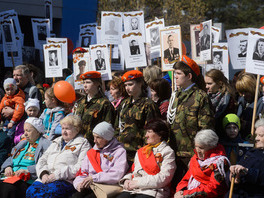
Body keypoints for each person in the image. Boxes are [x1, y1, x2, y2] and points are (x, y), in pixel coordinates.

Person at [167, 55, 214, 186]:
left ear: (189, 76)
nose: (175, 76)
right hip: (175, 152)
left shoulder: (200, 97)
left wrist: (200, 153)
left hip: (191, 154)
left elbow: (206, 129)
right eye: (174, 73)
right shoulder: (176, 95)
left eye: (178, 73)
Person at [26, 115, 91, 198]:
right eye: (63, 128)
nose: (64, 132)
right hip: (46, 178)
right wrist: (43, 173)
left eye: (67, 129)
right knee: (30, 191)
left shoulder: (83, 143)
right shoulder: (56, 141)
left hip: (65, 180)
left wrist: (56, 175)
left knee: (47, 194)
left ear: (77, 129)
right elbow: (42, 160)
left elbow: (80, 167)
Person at [118, 119, 176, 198]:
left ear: (160, 134)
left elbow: (164, 178)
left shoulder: (167, 152)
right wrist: (126, 180)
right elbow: (133, 171)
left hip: (153, 190)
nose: (146, 135)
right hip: (133, 189)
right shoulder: (142, 151)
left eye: (149, 132)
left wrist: (138, 183)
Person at [72, 121, 128, 198]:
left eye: (98, 137)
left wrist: (94, 178)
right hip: (90, 186)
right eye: (94, 137)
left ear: (107, 138)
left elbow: (117, 174)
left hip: (106, 187)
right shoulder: (92, 152)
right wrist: (78, 184)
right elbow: (82, 172)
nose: (94, 141)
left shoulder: (119, 152)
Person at [116, 70, 161, 163]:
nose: (127, 88)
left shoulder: (148, 104)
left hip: (139, 152)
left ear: (140, 83)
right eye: (125, 85)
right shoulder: (124, 104)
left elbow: (152, 130)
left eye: (130, 84)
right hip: (122, 152)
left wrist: (146, 152)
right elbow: (117, 126)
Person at [0, 117, 51, 198]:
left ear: (38, 131)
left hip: (27, 179)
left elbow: (47, 164)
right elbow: (11, 157)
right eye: (24, 131)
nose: (25, 134)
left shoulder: (45, 144)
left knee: (8, 189)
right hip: (11, 176)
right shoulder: (23, 143)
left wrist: (27, 170)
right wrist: (8, 167)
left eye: (28, 131)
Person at [175, 129, 230, 198]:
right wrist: (180, 190)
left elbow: (213, 189)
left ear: (211, 147)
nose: (197, 150)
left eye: (201, 148)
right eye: (196, 146)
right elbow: (186, 178)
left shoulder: (220, 163)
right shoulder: (195, 158)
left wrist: (186, 194)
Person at [75, 71, 115, 145]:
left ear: (97, 83)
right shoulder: (81, 102)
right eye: (84, 83)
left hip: (94, 144)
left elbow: (108, 127)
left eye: (88, 82)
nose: (85, 85)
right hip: (79, 142)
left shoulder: (104, 103)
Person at [228, 118, 264, 197]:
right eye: (256, 135)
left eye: (261, 135)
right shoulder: (251, 152)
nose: (256, 138)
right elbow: (240, 169)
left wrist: (247, 172)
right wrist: (233, 174)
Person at [205, 69, 237, 137]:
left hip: (224, 136)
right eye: (206, 83)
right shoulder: (205, 97)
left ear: (219, 83)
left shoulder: (228, 99)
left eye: (209, 83)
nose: (206, 87)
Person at [236, 72, 264, 139]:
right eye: (241, 92)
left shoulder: (262, 102)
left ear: (252, 88)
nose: (243, 95)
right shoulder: (241, 102)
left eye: (245, 91)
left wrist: (247, 125)